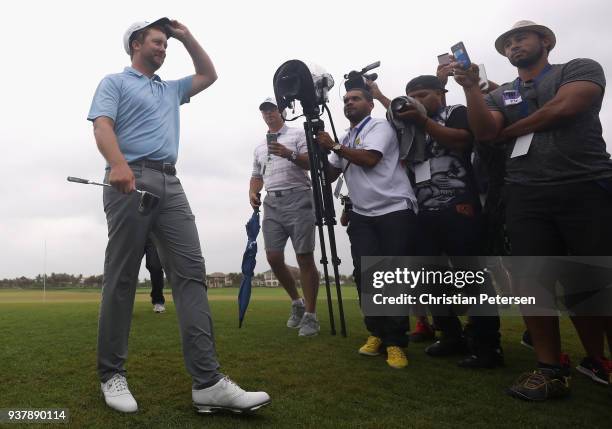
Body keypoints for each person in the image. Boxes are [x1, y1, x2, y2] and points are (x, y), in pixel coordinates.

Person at [87, 17, 269, 414]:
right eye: (157, 42)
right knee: (121, 279)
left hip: (171, 182)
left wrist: (185, 36)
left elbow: (208, 73)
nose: (163, 49)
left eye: (165, 44)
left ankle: (208, 383)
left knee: (191, 276)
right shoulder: (114, 83)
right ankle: (111, 374)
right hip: (130, 178)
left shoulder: (169, 90)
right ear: (136, 43)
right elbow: (102, 126)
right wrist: (117, 163)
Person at [455, 19, 612, 400]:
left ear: (545, 40)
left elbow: (565, 107)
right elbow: (483, 129)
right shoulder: (500, 93)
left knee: (596, 281)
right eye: (507, 43)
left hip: (585, 184)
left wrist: (508, 132)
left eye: (519, 38)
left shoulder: (578, 68)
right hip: (525, 193)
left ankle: (598, 361)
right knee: (531, 283)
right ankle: (549, 369)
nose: (513, 46)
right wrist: (472, 89)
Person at [370, 76, 503, 368]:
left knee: (471, 277)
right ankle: (451, 335)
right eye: (411, 95)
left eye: (423, 94)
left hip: (459, 205)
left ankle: (487, 345)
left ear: (441, 94)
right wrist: (385, 99)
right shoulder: (405, 126)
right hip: (422, 211)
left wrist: (423, 120)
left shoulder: (454, 112)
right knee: (431, 280)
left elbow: (463, 140)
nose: (417, 100)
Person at [315, 88, 419, 369]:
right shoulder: (346, 137)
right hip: (361, 214)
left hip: (394, 209)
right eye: (346, 100)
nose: (349, 102)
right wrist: (310, 152)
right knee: (365, 276)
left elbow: (370, 159)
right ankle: (376, 333)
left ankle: (396, 342)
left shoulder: (379, 127)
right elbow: (330, 173)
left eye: (355, 99)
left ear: (370, 104)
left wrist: (332, 147)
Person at [249, 97, 320, 337]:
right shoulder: (259, 146)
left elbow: (312, 163)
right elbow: (256, 174)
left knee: (304, 256)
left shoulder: (298, 134)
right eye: (264, 111)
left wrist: (289, 154)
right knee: (273, 257)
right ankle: (297, 302)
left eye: (272, 110)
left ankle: (311, 316)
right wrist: (253, 191)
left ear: (282, 112)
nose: (269, 114)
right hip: (272, 202)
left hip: (299, 197)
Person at [144, 237, 166, 313]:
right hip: (132, 232)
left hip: (151, 235)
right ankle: (123, 303)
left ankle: (158, 301)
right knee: (128, 267)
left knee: (156, 266)